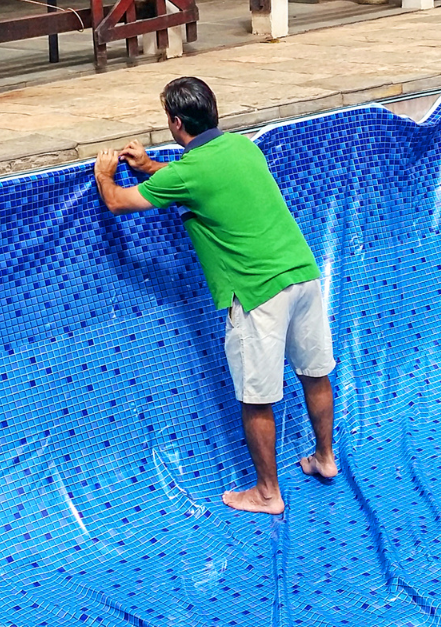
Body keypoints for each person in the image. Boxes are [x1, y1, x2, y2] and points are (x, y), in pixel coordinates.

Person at [93, 77, 337, 515]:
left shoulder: (190, 171)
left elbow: (117, 203)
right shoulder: (242, 147)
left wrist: (105, 174)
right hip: (303, 274)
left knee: (256, 397)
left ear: (175, 121)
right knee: (314, 373)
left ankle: (267, 493)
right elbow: (202, 180)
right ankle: (324, 459)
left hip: (257, 292)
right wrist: (150, 166)